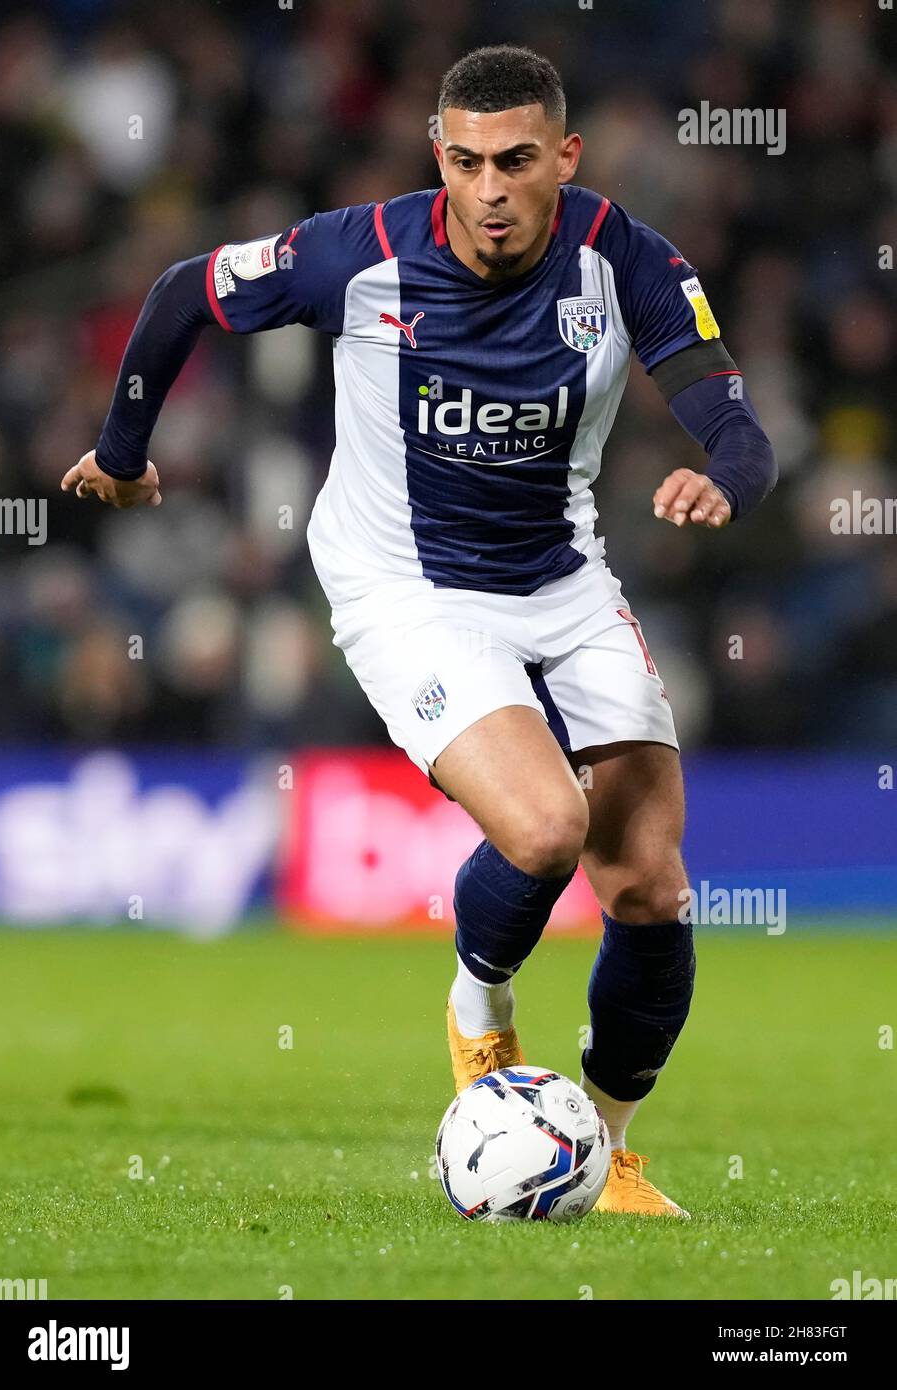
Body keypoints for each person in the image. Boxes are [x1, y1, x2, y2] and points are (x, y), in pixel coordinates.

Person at [63, 45, 777, 1216]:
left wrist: (722, 482)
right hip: (404, 584)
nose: (488, 188)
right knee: (548, 827)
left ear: (565, 158)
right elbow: (180, 290)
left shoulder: (627, 259)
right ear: (436, 154)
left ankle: (597, 1151)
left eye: (515, 161)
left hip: (561, 576)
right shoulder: (361, 253)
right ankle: (476, 1006)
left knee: (647, 880)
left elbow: (733, 423)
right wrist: (129, 456)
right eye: (464, 161)